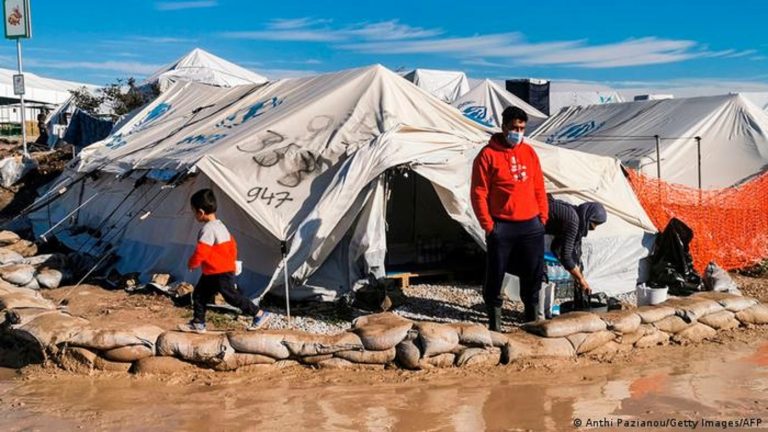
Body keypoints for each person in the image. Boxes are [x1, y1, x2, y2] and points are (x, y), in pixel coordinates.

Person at [471, 106, 548, 329]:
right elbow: (478, 192)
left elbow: (539, 186)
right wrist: (488, 225)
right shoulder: (487, 155)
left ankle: (531, 321)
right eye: (514, 127)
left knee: (533, 274)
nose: (518, 132)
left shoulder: (529, 152)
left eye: (522, 128)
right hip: (502, 225)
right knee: (496, 274)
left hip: (531, 224)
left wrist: (542, 217)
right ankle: (495, 324)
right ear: (504, 127)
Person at [179, 188, 271, 333]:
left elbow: (201, 251)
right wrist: (232, 262)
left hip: (219, 271)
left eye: (194, 211)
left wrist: (192, 263)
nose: (194, 215)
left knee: (232, 297)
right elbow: (233, 245)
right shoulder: (221, 226)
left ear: (201, 212)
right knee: (199, 295)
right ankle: (198, 322)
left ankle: (259, 314)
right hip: (215, 270)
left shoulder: (208, 229)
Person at [545, 195, 607, 296]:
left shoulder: (574, 215)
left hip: (532, 227)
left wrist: (576, 270)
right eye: (594, 223)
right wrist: (581, 279)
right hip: (526, 224)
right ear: (588, 217)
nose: (594, 228)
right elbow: (566, 256)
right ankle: (535, 310)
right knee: (537, 272)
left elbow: (557, 247)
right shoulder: (572, 221)